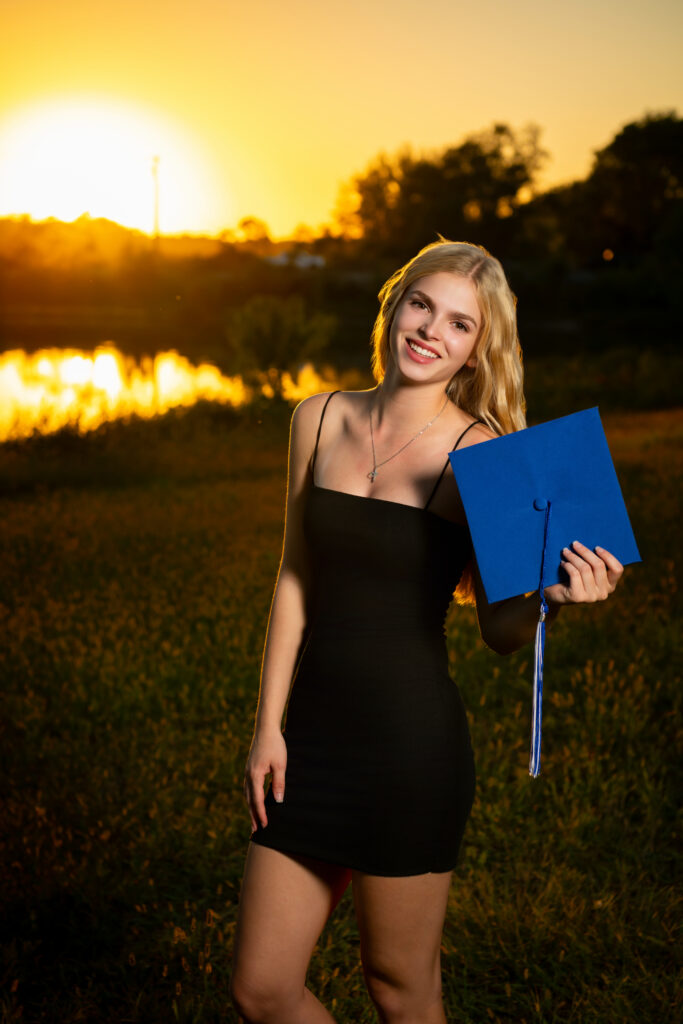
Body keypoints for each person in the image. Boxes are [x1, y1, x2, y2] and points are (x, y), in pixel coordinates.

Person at [230, 240, 624, 1023]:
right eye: (420, 305)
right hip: (307, 739)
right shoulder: (318, 418)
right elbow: (294, 578)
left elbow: (499, 633)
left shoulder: (483, 455)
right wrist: (266, 726)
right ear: (394, 306)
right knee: (260, 989)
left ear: (477, 351)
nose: (429, 331)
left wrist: (549, 593)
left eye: (458, 324)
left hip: (409, 750)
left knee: (399, 988)